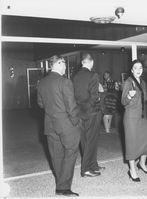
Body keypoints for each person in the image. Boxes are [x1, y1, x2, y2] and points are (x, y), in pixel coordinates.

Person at [37, 55, 81, 197]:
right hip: (66, 124)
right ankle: (63, 187)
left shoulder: (42, 83)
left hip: (50, 123)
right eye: (64, 64)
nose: (65, 67)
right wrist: (76, 122)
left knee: (56, 156)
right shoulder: (65, 82)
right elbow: (71, 106)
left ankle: (60, 184)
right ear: (58, 64)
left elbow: (40, 104)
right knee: (71, 152)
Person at [73, 53, 105, 177]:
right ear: (91, 62)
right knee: (92, 140)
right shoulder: (93, 75)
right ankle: (86, 169)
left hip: (80, 112)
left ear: (82, 62)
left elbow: (75, 95)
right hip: (91, 112)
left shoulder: (75, 76)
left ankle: (93, 165)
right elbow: (94, 97)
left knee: (84, 141)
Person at [121, 60, 147, 182]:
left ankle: (142, 164)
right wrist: (129, 95)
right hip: (131, 118)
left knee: (146, 142)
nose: (138, 70)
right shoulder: (128, 83)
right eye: (136, 68)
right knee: (132, 144)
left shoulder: (143, 83)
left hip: (142, 116)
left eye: (140, 68)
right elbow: (123, 101)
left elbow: (143, 99)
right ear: (132, 70)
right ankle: (132, 170)